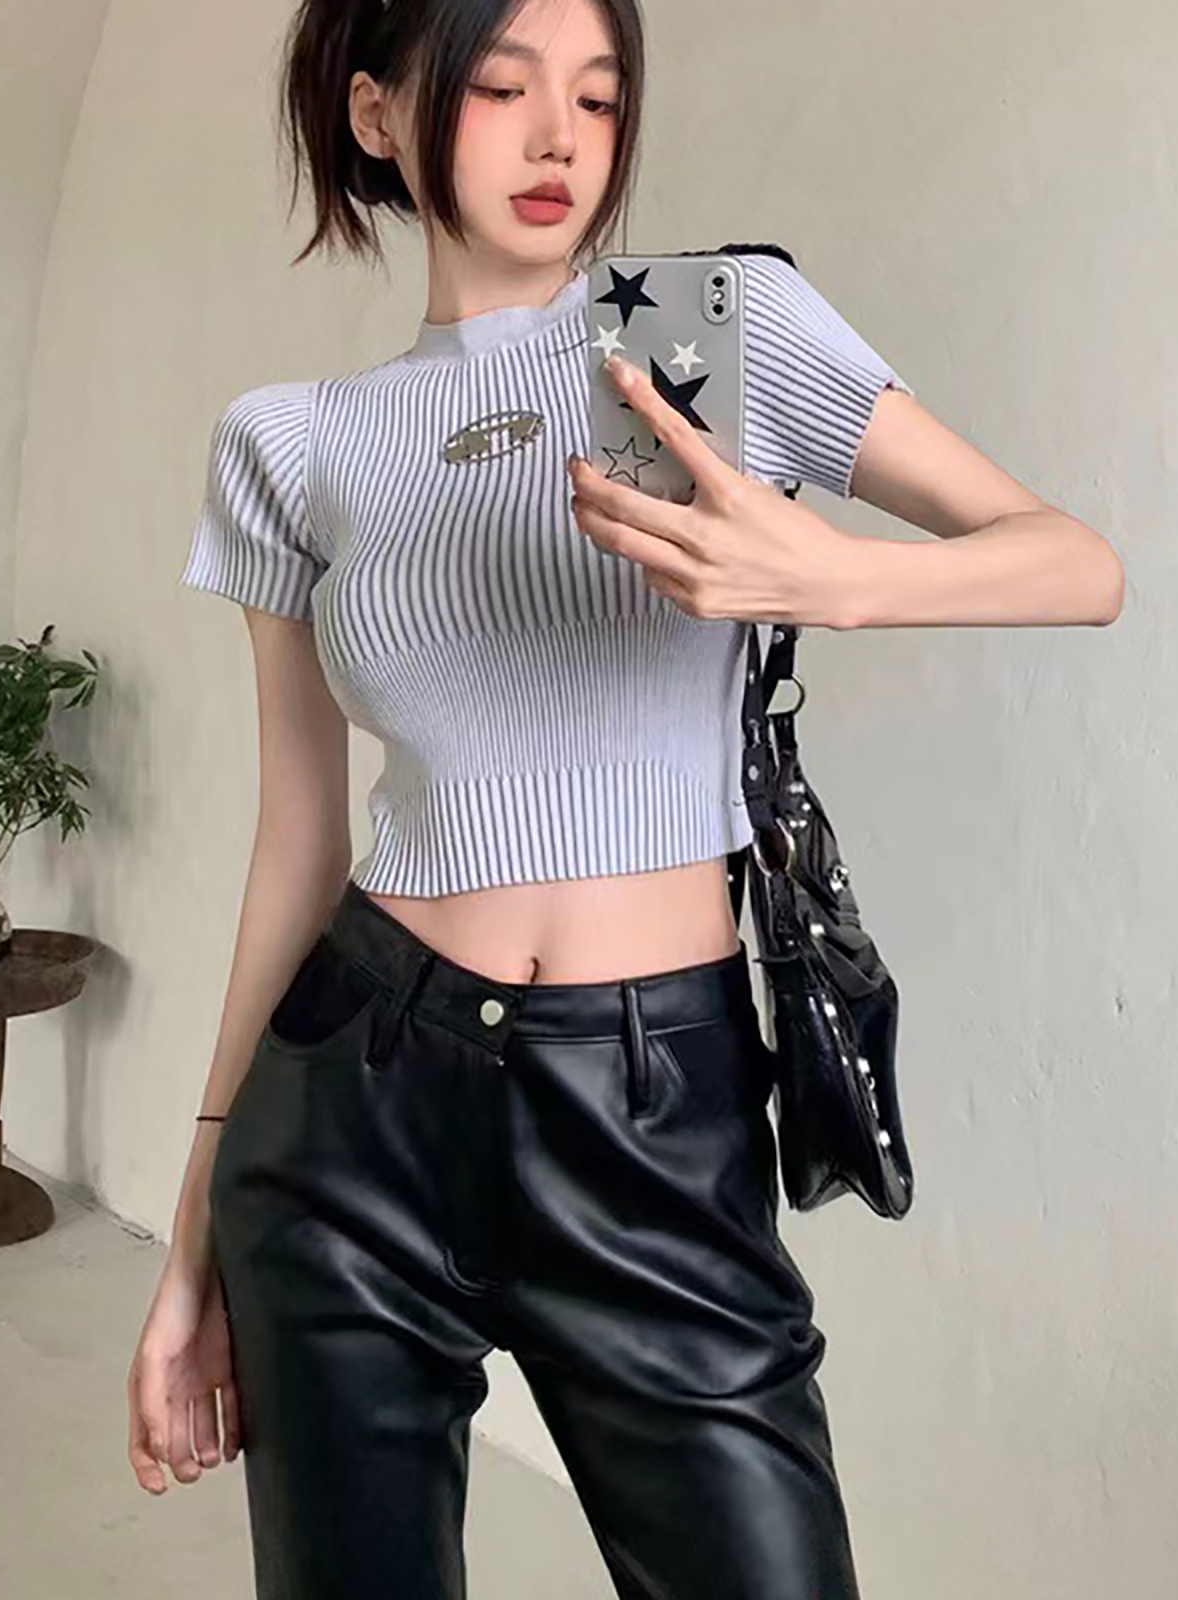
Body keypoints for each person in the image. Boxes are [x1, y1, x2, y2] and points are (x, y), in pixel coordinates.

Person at [126, 0, 1126, 1594]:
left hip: (656, 1098)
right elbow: (298, 842)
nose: (559, 139)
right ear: (378, 116)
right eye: (501, 86)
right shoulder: (294, 443)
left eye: (598, 97)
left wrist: (829, 576)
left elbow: (1077, 564)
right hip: (353, 1109)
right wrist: (191, 1242)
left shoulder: (711, 339)